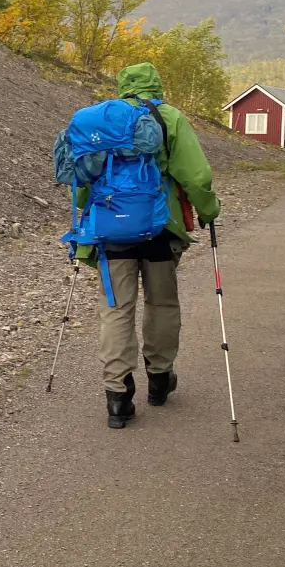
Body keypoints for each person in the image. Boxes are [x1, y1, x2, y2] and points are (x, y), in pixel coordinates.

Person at [75, 63, 221, 428]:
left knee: (116, 308)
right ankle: (159, 380)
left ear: (122, 86)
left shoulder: (103, 118)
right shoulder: (169, 117)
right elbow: (196, 174)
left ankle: (118, 397)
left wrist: (84, 211)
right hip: (160, 227)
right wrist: (208, 209)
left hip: (112, 230)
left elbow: (82, 177)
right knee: (161, 302)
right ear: (157, 86)